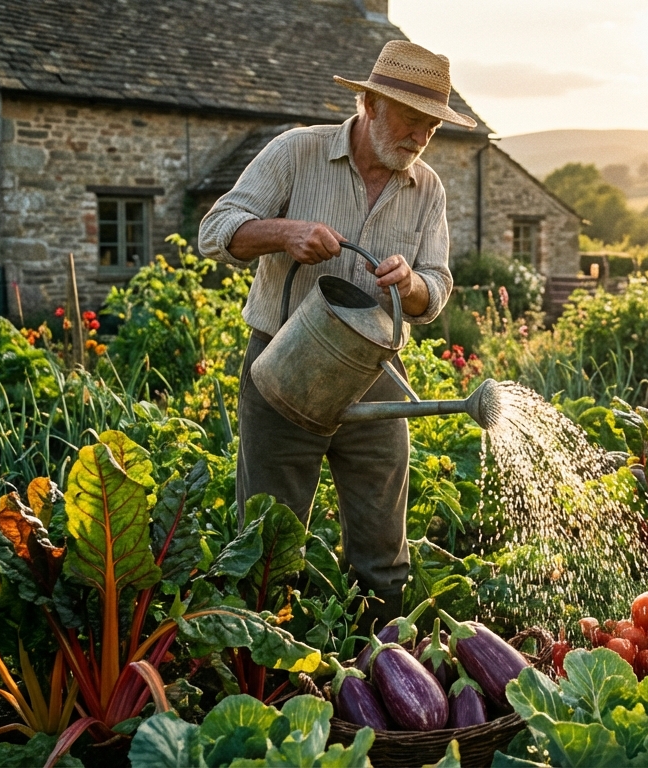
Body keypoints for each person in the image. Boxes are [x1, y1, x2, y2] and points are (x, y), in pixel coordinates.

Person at [198, 40, 473, 632]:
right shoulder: (295, 153)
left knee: (382, 549)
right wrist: (283, 233)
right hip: (283, 368)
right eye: (411, 118)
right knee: (269, 545)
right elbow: (216, 230)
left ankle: (378, 672)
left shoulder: (427, 188)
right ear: (370, 102)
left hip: (373, 375)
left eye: (432, 125)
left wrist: (412, 286)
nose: (422, 135)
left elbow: (438, 284)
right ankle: (269, 675)